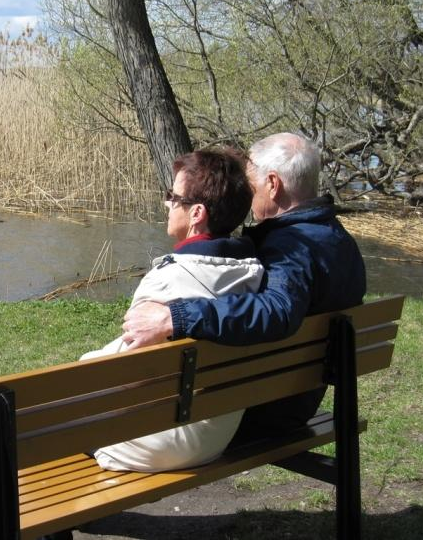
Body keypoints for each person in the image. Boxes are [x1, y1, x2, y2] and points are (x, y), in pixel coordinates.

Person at [120, 133, 366, 440]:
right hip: (299, 395)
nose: (247, 196)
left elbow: (276, 311)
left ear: (273, 184)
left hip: (258, 410)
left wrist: (176, 316)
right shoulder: (339, 239)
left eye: (250, 184)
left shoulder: (289, 248)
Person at [81, 147, 264, 472]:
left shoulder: (166, 282)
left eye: (173, 196)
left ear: (196, 214)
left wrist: (86, 365)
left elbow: (123, 376)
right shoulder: (253, 279)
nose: (167, 203)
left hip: (156, 442)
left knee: (43, 416)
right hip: (215, 435)